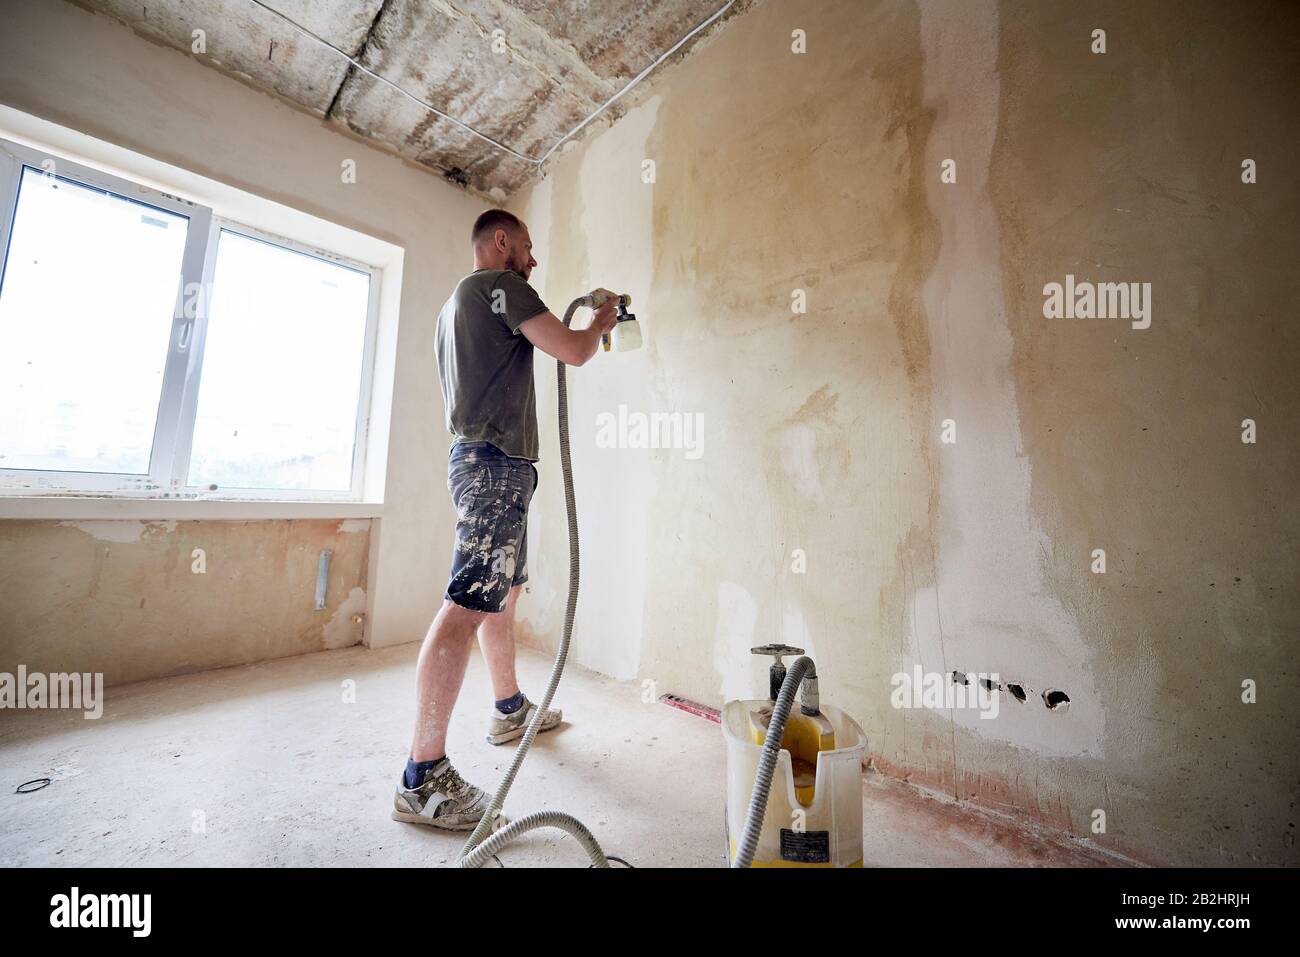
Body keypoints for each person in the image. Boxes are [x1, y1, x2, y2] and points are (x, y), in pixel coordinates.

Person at [392, 209, 618, 829]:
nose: (533, 260)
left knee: (502, 597)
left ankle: (509, 708)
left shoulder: (452, 307)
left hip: (487, 462)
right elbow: (572, 351)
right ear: (500, 242)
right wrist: (602, 319)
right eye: (526, 246)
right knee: (467, 605)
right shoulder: (501, 286)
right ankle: (422, 775)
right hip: (493, 465)